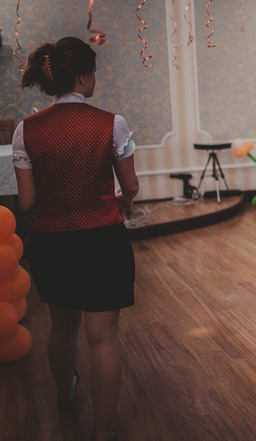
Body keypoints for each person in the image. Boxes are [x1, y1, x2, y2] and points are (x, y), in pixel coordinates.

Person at [12, 37, 138, 441]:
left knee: (62, 329)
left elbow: (27, 202)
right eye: (94, 73)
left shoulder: (26, 130)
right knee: (103, 339)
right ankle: (102, 432)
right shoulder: (112, 123)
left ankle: (66, 396)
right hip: (103, 241)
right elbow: (130, 186)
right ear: (83, 78)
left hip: (53, 243)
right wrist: (124, 201)